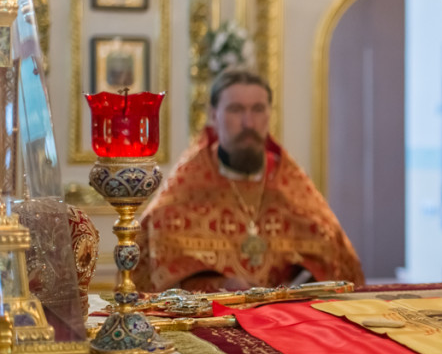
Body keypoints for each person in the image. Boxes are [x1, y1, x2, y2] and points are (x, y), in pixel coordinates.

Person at [137, 68, 364, 292]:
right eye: (235, 110)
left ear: (269, 113)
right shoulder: (183, 191)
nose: (248, 123)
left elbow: (336, 259)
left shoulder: (292, 188)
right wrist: (218, 285)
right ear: (213, 116)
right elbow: (150, 271)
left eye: (258, 109)